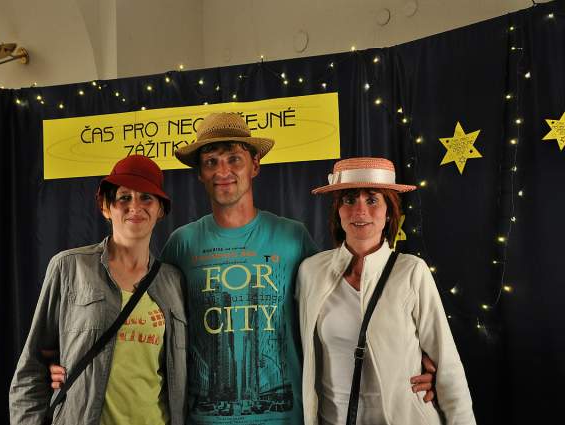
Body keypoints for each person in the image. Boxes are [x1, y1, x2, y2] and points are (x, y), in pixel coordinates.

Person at [48, 113, 437, 423]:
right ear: (200, 173)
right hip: (202, 418)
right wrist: (66, 363)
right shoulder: (182, 243)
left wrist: (406, 358)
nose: (223, 171)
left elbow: (336, 314)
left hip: (285, 418)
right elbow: (148, 325)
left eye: (234, 158)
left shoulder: (292, 237)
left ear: (255, 165)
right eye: (211, 162)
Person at [296, 157, 476, 425]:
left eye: (372, 200)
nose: (360, 210)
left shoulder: (412, 271)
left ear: (389, 212)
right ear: (338, 211)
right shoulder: (311, 272)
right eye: (349, 199)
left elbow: (447, 364)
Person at [9, 155, 187, 425]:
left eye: (146, 198)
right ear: (106, 207)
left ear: (160, 209)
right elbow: (32, 369)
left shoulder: (174, 281)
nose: (135, 207)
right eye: (124, 197)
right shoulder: (69, 267)